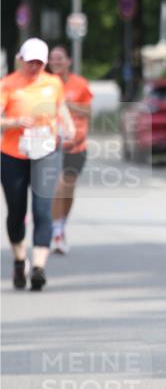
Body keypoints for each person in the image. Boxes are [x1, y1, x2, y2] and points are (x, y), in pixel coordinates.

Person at [1, 38, 74, 291]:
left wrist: (69, 125)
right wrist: (14, 122)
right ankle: (20, 259)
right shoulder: (8, 84)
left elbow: (60, 107)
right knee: (16, 212)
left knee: (43, 211)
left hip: (46, 152)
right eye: (30, 62)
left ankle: (39, 267)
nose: (34, 67)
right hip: (13, 155)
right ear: (20, 59)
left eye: (39, 63)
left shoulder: (53, 83)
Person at [48, 45, 93, 254]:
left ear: (68, 62)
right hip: (53, 144)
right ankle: (57, 232)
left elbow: (88, 110)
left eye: (59, 58)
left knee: (68, 191)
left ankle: (61, 223)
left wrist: (69, 105)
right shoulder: (46, 85)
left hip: (77, 145)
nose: (55, 62)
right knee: (59, 187)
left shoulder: (80, 84)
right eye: (52, 59)